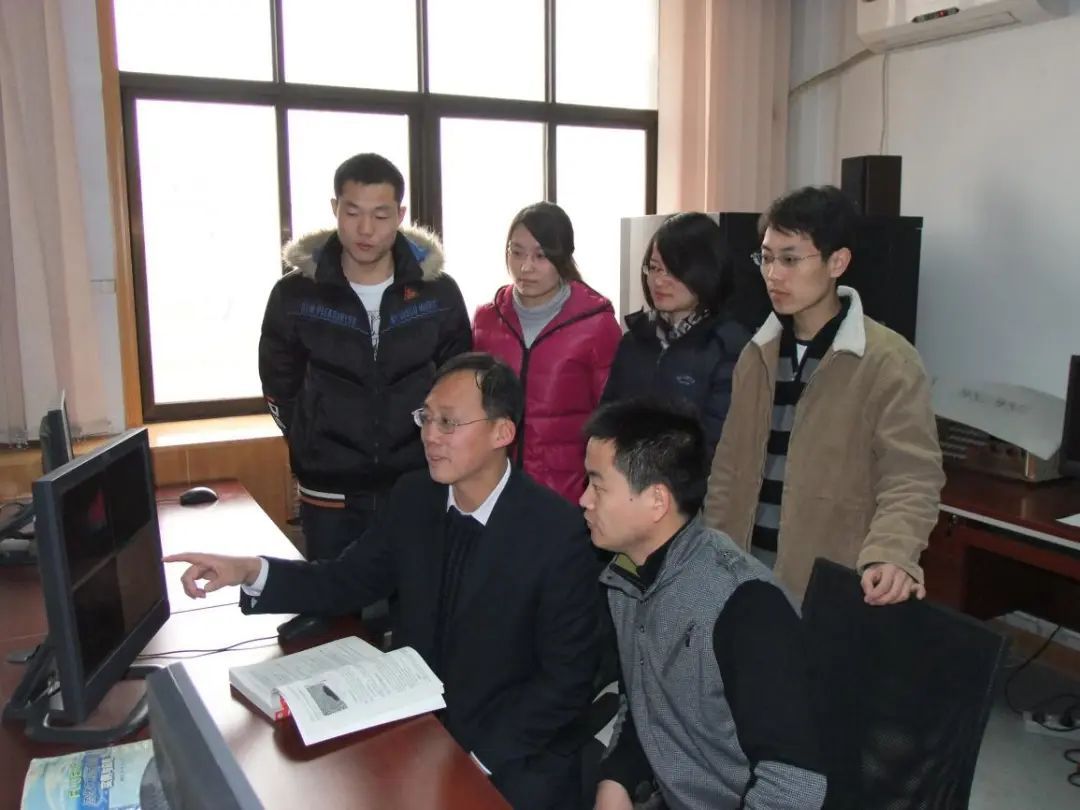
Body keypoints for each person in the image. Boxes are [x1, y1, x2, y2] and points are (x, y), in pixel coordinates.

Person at [165, 353, 599, 810]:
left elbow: (566, 681)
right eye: (426, 418)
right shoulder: (415, 497)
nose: (430, 435)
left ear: (502, 432)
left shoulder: (557, 533)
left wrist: (478, 757)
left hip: (509, 751)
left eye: (449, 423)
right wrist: (249, 571)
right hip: (413, 724)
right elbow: (345, 580)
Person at [581, 398, 827, 810]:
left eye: (598, 486)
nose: (584, 499)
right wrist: (617, 780)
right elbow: (643, 705)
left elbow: (793, 786)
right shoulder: (626, 578)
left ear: (657, 501)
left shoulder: (746, 606)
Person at [704, 185, 945, 603]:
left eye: (790, 259)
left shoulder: (887, 360)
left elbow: (911, 476)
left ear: (838, 262)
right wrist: (710, 554)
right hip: (742, 574)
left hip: (826, 580)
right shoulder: (757, 353)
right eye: (766, 258)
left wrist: (892, 552)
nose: (773, 274)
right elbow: (728, 469)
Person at [259, 152, 471, 563]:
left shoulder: (437, 294)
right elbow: (278, 383)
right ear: (335, 209)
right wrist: (307, 438)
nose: (366, 229)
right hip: (329, 492)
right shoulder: (295, 295)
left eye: (381, 215)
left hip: (418, 482)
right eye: (353, 212)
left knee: (419, 596)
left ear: (400, 215)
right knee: (334, 597)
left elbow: (458, 382)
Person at [472, 201, 621, 504]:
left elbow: (613, 418)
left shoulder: (596, 324)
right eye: (516, 253)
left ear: (562, 257)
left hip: (568, 493)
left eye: (540, 256)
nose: (525, 267)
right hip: (495, 487)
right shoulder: (487, 320)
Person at [601, 212, 750, 459]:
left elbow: (718, 445)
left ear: (706, 272)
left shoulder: (728, 347)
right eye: (654, 268)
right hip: (624, 477)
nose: (659, 281)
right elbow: (606, 422)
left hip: (688, 480)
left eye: (673, 271)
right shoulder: (634, 341)